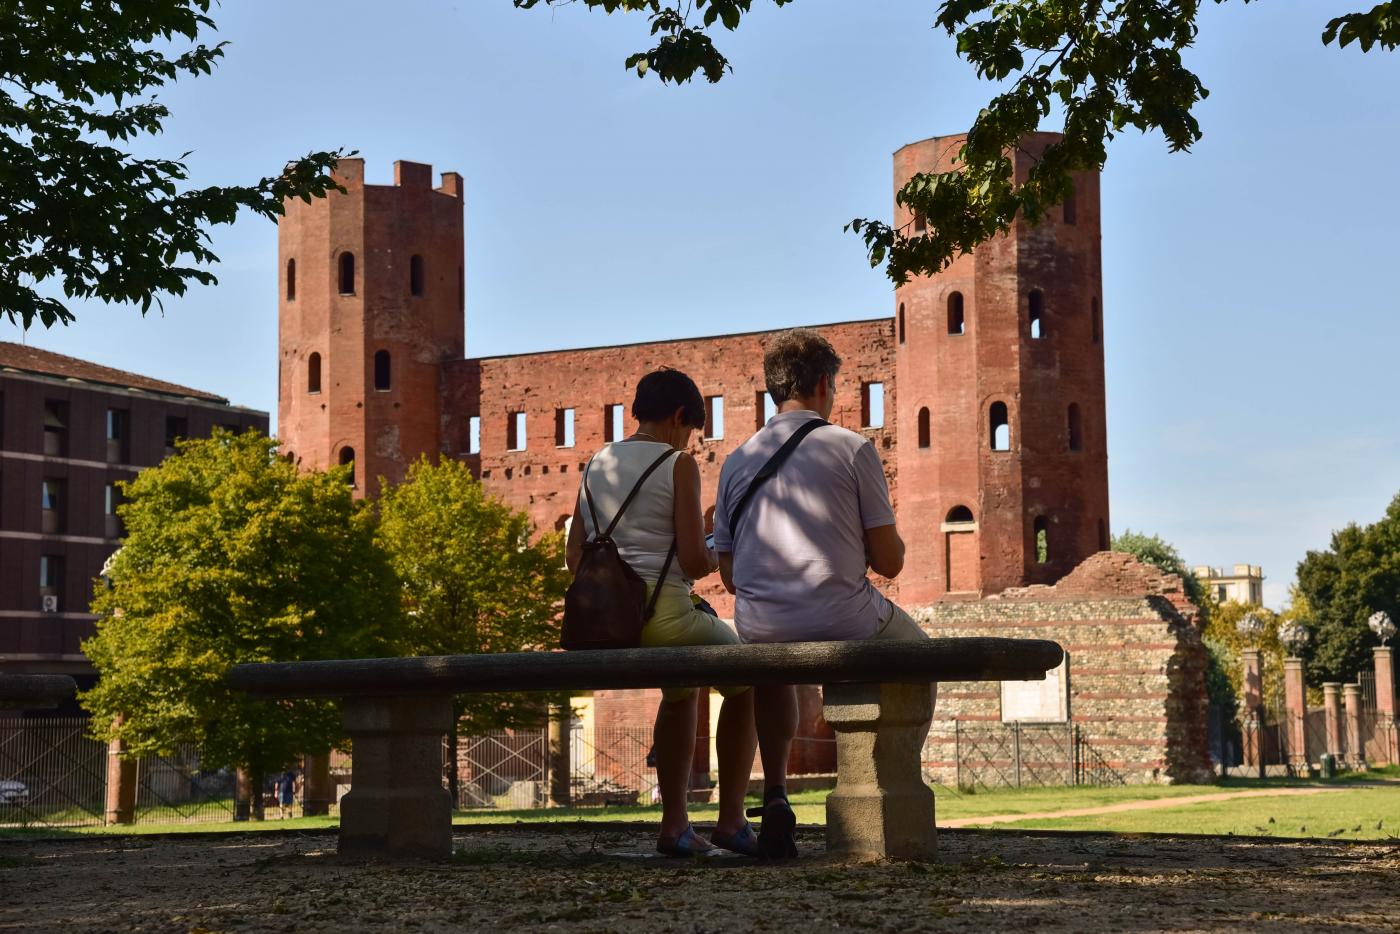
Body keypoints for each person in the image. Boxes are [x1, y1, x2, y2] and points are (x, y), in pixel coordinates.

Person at [712, 328, 932, 859]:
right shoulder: (851, 448)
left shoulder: (736, 462)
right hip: (847, 618)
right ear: (824, 384)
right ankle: (888, 784)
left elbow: (729, 574)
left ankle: (777, 795)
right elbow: (890, 562)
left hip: (761, 623)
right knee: (922, 657)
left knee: (771, 664)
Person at [566, 368, 759, 857]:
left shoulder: (595, 464)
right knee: (750, 679)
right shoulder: (678, 464)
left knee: (680, 694)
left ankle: (674, 825)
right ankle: (732, 821)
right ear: (679, 417)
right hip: (666, 620)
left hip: (604, 623)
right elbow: (694, 563)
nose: (690, 439)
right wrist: (716, 541)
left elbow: (574, 558)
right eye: (691, 428)